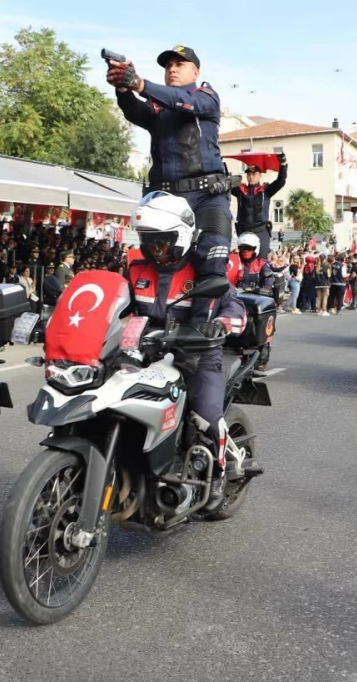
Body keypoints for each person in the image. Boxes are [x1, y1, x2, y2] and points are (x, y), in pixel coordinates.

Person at [126, 192, 256, 514]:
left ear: (182, 236)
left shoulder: (205, 272)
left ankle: (220, 477)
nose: (156, 249)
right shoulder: (136, 270)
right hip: (147, 356)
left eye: (163, 241)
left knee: (207, 416)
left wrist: (223, 324)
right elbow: (116, 304)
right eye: (149, 240)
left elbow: (234, 306)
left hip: (199, 356)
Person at [108, 45, 231, 326]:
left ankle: (199, 335)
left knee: (212, 262)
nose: (172, 69)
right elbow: (133, 111)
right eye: (167, 66)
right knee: (153, 262)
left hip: (205, 197)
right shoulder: (158, 105)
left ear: (195, 72)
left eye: (179, 64)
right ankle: (147, 329)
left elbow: (182, 101)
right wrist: (122, 87)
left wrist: (139, 83)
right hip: (164, 199)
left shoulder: (207, 97)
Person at [233, 154, 287, 259]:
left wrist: (283, 164)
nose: (251, 176)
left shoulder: (265, 190)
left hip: (261, 231)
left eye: (254, 174)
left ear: (259, 175)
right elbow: (226, 184)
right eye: (248, 174)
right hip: (244, 231)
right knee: (244, 262)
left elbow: (281, 181)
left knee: (261, 261)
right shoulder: (240, 190)